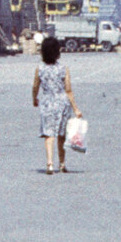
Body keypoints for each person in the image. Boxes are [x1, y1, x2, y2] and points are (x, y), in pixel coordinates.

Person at [31, 35, 82, 175]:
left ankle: (49, 164)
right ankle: (62, 163)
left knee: (49, 134)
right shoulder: (63, 68)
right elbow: (68, 90)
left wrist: (34, 99)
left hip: (47, 102)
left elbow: (35, 86)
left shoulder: (40, 68)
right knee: (61, 134)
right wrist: (76, 109)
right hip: (62, 103)